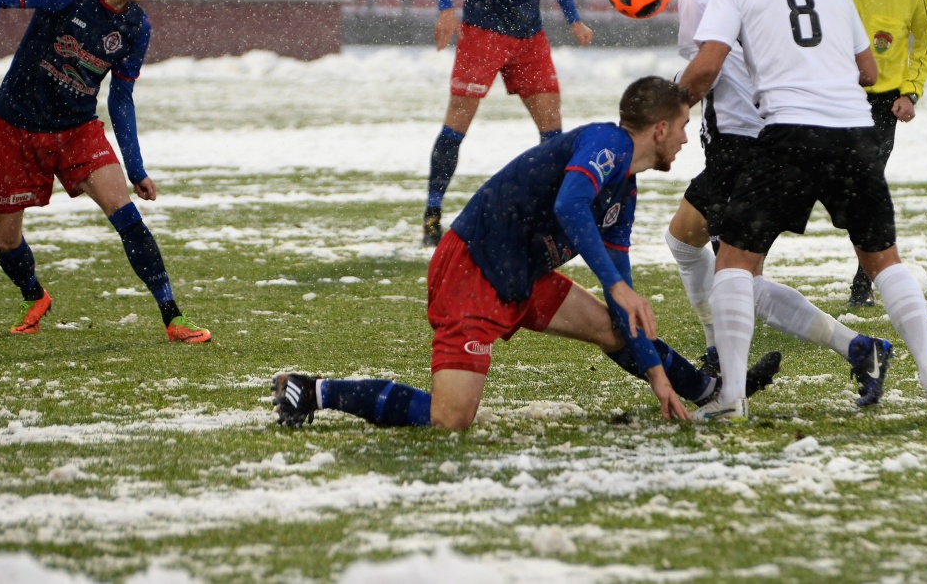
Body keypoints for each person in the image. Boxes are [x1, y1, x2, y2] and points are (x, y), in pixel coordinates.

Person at [272, 77, 780, 430]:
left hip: (521, 272)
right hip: (473, 269)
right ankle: (313, 391)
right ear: (660, 129)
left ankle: (705, 391)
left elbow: (620, 297)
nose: (688, 138)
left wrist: (656, 378)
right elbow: (570, 202)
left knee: (610, 323)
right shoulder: (609, 143)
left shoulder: (624, 188)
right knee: (451, 421)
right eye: (684, 126)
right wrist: (620, 286)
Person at [677, 0, 927, 418]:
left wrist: (671, 103)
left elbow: (705, 68)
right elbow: (870, 73)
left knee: (735, 263)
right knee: (884, 261)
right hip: (854, 132)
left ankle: (731, 398)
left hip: (788, 133)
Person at [653, 0, 894, 411]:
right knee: (692, 244)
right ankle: (852, 348)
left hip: (742, 147)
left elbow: (702, 72)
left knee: (734, 275)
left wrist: (663, 117)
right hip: (768, 140)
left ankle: (732, 357)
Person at [0, 0, 211, 343]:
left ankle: (173, 317)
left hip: (77, 130)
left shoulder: (135, 27)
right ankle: (34, 295)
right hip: (14, 126)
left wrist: (136, 168)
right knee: (6, 241)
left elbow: (121, 99)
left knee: (126, 214)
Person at [423, 0, 594, 247]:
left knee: (552, 129)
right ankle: (432, 214)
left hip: (529, 37)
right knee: (457, 124)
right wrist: (446, 10)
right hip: (482, 35)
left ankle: (551, 215)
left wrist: (574, 19)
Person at [821, 0, 927, 307]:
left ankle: (863, 284)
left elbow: (925, 43)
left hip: (881, 104)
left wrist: (911, 91)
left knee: (867, 190)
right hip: (831, 94)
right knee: (812, 183)